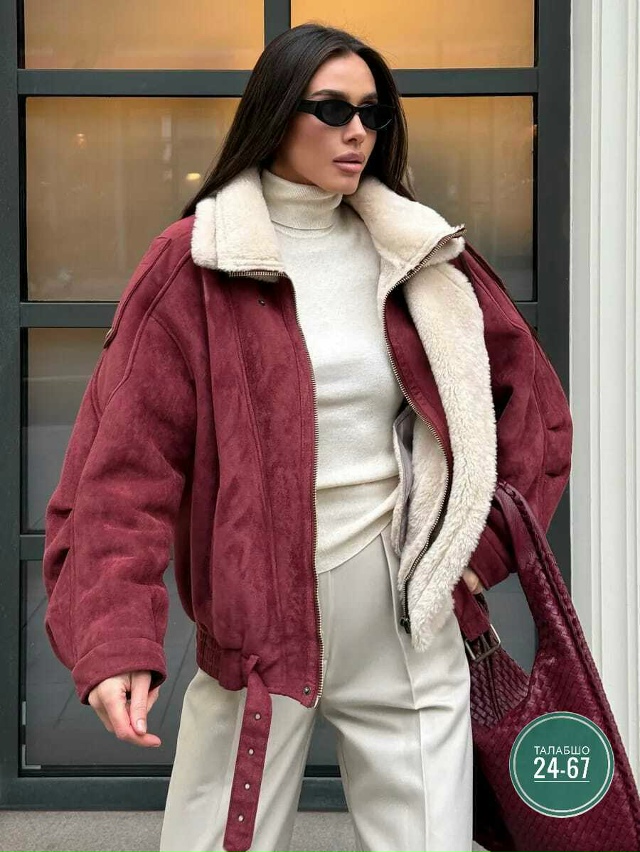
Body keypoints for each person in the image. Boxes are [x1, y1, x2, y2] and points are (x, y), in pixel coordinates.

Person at [43, 22, 573, 852]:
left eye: (373, 113)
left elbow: (533, 411)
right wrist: (114, 640)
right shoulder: (198, 263)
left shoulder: (421, 255)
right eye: (331, 109)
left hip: (406, 612)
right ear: (275, 113)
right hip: (257, 626)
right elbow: (121, 471)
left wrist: (476, 554)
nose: (357, 131)